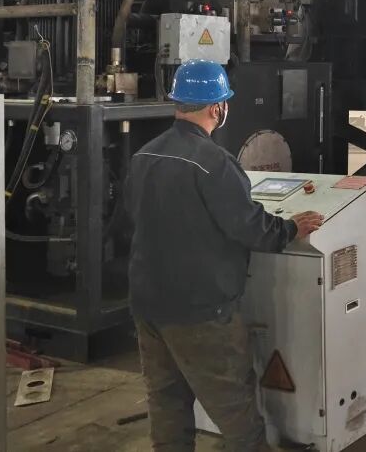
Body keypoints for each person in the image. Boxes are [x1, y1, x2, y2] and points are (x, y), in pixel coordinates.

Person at [124, 59, 324, 452]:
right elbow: (249, 226)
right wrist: (290, 229)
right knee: (235, 410)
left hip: (148, 306)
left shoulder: (144, 155)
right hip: (201, 311)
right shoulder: (214, 163)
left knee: (166, 402)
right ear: (217, 107)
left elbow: (134, 218)